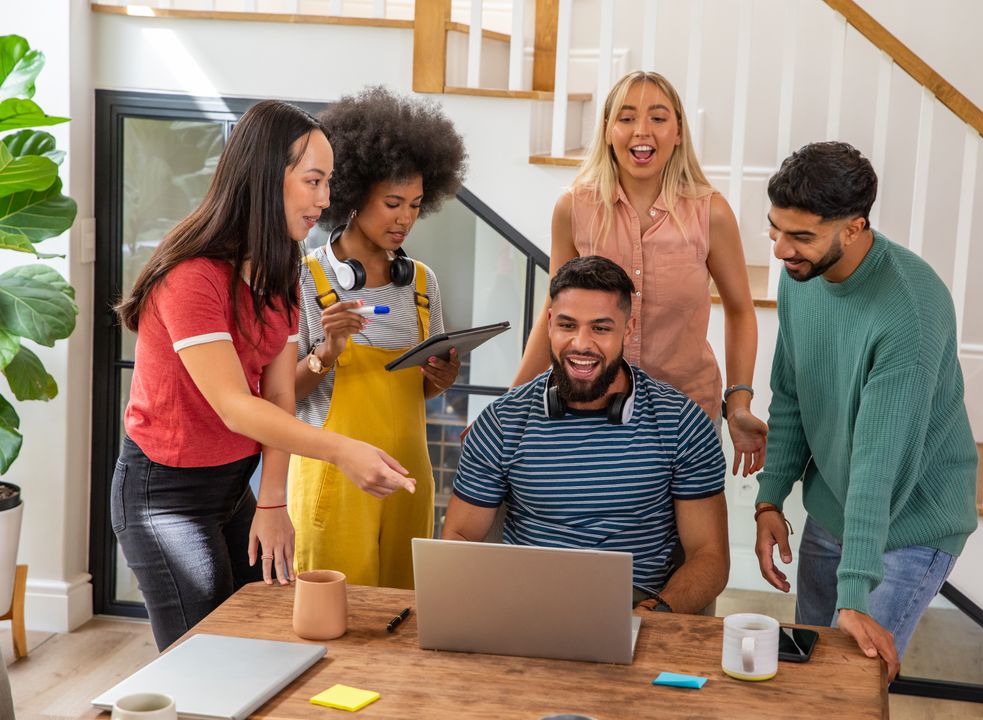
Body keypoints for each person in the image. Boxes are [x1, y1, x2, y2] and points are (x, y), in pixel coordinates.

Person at [112, 100, 415, 651]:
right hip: (167, 495)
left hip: (234, 485)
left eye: (328, 183)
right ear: (264, 178)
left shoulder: (280, 271)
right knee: (203, 658)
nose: (325, 200)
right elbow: (236, 405)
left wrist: (272, 501)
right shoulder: (192, 277)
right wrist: (342, 450)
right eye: (313, 181)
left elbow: (278, 394)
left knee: (262, 638)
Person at [753, 141, 978, 681]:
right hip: (832, 508)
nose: (782, 250)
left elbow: (880, 463)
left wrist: (856, 589)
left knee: (847, 686)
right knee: (807, 678)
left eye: (801, 236)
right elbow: (791, 394)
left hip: (907, 523)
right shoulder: (799, 276)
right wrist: (769, 500)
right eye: (775, 229)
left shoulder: (908, 311)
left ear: (854, 228)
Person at [511, 70, 767, 476]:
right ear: (609, 130)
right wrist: (512, 404)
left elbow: (740, 310)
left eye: (658, 118)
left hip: (685, 412)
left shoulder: (711, 213)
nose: (641, 131)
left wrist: (738, 403)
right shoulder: (573, 208)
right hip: (588, 405)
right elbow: (554, 312)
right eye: (627, 118)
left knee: (684, 539)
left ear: (679, 132)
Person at [444, 256, 730, 614]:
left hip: (636, 606)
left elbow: (710, 557)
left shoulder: (682, 423)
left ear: (628, 329)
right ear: (549, 324)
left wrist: (656, 614)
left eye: (600, 328)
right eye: (567, 325)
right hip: (525, 604)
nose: (581, 343)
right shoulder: (503, 421)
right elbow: (458, 537)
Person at [290, 87, 468, 589]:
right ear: (352, 192)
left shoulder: (423, 283)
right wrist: (327, 353)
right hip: (334, 480)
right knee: (333, 617)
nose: (404, 218)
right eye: (392, 202)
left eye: (415, 204)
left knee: (402, 618)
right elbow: (282, 395)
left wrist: (442, 376)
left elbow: (420, 389)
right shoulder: (306, 278)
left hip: (409, 478)